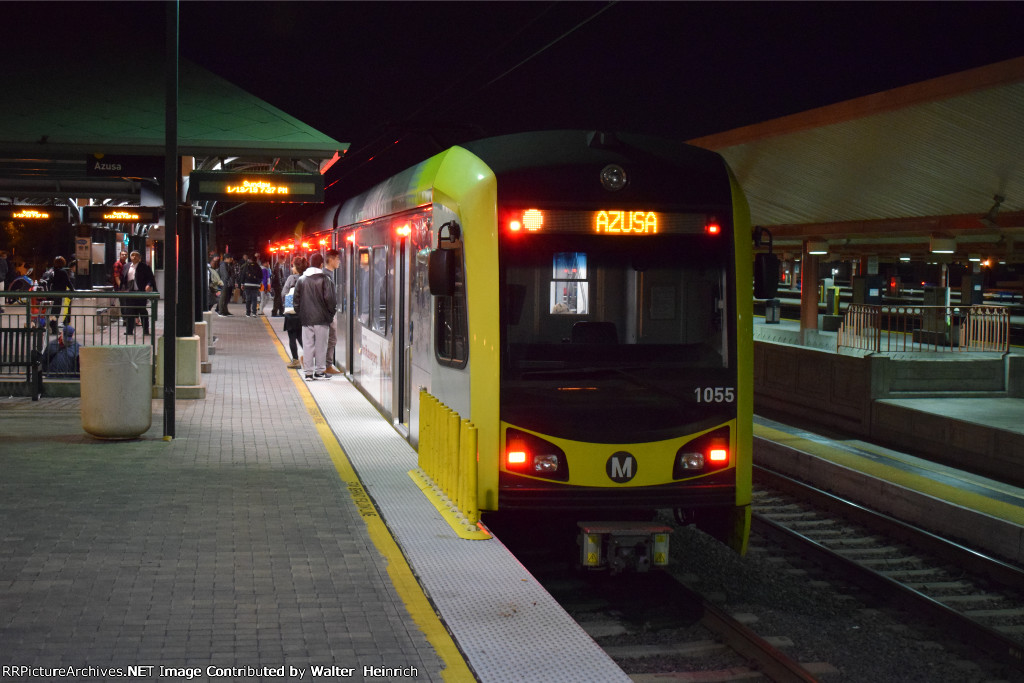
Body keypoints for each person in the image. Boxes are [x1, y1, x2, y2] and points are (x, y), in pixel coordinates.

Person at [293, 252, 336, 381]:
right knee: (321, 346)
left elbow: (296, 300)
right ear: (321, 264)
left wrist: (301, 314)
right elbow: (330, 300)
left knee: (307, 346)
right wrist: (330, 315)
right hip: (322, 319)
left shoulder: (301, 279)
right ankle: (320, 371)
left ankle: (308, 373)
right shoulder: (325, 279)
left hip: (306, 319)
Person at [122, 250, 156, 337]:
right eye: (132, 255)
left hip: (140, 292)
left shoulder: (145, 267)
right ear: (130, 257)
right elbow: (123, 279)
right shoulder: (126, 266)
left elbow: (150, 278)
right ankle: (129, 331)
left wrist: (148, 285)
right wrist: (122, 289)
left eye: (136, 255)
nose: (134, 257)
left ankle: (146, 331)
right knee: (129, 312)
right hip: (130, 293)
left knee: (142, 311)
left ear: (140, 257)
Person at [281, 257, 306, 369]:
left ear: (296, 268)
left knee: (292, 337)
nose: (292, 268)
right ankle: (310, 356)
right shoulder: (306, 278)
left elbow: (283, 293)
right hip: (302, 313)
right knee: (301, 336)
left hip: (291, 313)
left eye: (293, 266)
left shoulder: (291, 278)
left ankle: (295, 360)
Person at [323, 249, 342, 375]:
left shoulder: (328, 274)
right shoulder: (326, 276)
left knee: (329, 339)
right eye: (337, 259)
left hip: (328, 313)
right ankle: (327, 365)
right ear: (331, 259)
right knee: (330, 339)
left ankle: (327, 364)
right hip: (328, 313)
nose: (339, 262)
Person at [46, 256, 75, 334]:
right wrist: (73, 290)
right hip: (58, 294)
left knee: (52, 311)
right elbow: (68, 282)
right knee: (56, 312)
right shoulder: (62, 272)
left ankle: (52, 325)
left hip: (50, 293)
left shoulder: (51, 270)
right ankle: (54, 327)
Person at [112, 250, 128, 325]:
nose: (124, 256)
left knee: (125, 303)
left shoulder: (125, 264)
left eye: (125, 255)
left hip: (124, 286)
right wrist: (121, 287)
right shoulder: (117, 264)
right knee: (123, 303)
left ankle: (126, 319)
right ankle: (125, 320)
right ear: (120, 255)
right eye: (122, 254)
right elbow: (116, 277)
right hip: (120, 287)